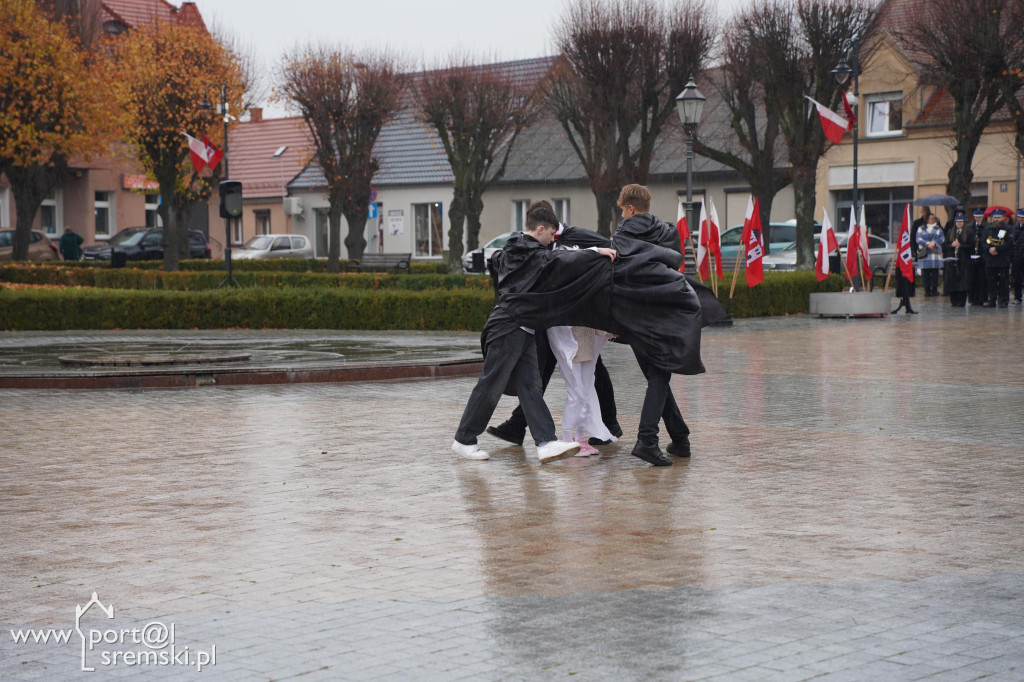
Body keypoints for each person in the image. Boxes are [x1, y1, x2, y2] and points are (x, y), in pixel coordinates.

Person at [452, 208, 617, 463]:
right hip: (508, 326)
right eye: (551, 234)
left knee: (531, 387)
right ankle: (464, 439)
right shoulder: (527, 251)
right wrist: (595, 252)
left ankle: (546, 442)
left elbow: (499, 262)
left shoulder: (515, 249)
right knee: (491, 383)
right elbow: (560, 262)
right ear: (540, 229)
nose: (554, 239)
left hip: (524, 327)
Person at [611, 184, 695, 467]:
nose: (621, 215)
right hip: (665, 313)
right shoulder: (668, 231)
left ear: (631, 209)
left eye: (622, 209)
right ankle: (678, 439)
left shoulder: (622, 236)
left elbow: (617, 279)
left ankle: (649, 440)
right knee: (659, 376)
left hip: (635, 317)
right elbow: (674, 270)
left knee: (658, 377)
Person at [981, 209, 1015, 308]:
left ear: (1003, 218)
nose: (996, 220)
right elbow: (983, 242)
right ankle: (992, 300)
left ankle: (1003, 300)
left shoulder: (1008, 229)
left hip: (1002, 259)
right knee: (991, 281)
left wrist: (997, 249)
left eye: (998, 218)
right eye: (994, 218)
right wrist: (989, 249)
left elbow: (1009, 243)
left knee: (1004, 281)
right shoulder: (988, 228)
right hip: (990, 259)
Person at [943, 210, 974, 308]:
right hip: (952, 260)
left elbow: (971, 246)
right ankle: (954, 301)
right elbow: (944, 246)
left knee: (963, 281)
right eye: (957, 222)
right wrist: (951, 245)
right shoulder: (950, 232)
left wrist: (960, 246)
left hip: (964, 260)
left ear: (964, 223)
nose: (959, 224)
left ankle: (961, 301)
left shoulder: (968, 232)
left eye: (961, 222)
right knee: (952, 281)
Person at [916, 213, 944, 296]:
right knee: (925, 272)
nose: (933, 220)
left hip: (935, 254)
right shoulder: (921, 228)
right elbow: (918, 239)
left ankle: (934, 289)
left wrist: (934, 243)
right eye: (931, 218)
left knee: (935, 272)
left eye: (934, 218)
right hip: (925, 254)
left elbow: (942, 238)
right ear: (927, 220)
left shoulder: (938, 228)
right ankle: (927, 290)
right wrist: (928, 244)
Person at [968, 208, 988, 306]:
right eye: (976, 217)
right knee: (972, 278)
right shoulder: (969, 227)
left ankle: (982, 298)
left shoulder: (986, 227)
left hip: (982, 255)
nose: (978, 219)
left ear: (982, 217)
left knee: (982, 278)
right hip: (972, 255)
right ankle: (973, 298)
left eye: (980, 217)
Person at [1012, 208, 1024, 305]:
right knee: (1017, 278)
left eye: (1022, 218)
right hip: (1016, 257)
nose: (1021, 219)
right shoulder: (1014, 228)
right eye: (1019, 217)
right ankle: (1017, 297)